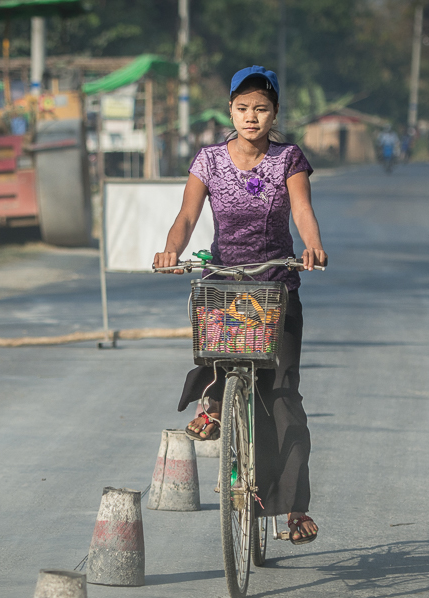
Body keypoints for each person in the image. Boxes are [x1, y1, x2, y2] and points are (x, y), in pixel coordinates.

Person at [153, 65, 327, 545]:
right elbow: (187, 215)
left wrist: (311, 246)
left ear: (274, 114)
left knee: (284, 397)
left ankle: (293, 508)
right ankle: (212, 402)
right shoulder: (207, 160)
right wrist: (172, 249)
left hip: (276, 288)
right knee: (214, 351)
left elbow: (302, 211)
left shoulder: (288, 158)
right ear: (230, 109)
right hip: (225, 284)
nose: (252, 117)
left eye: (262, 109)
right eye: (243, 108)